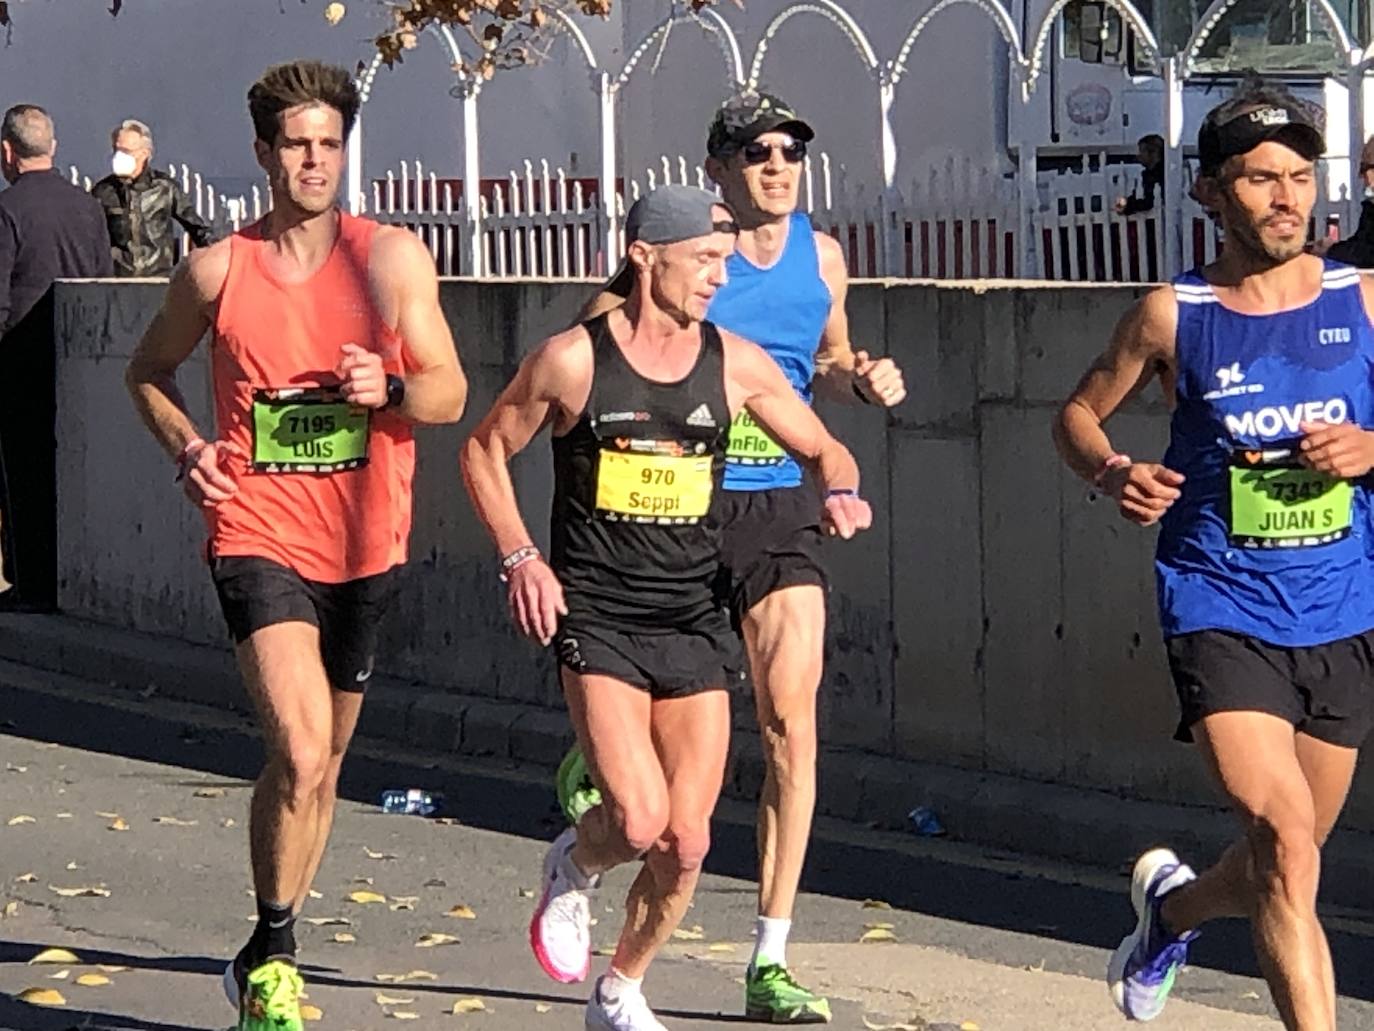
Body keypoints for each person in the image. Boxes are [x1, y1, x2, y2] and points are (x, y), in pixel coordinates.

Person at [462, 184, 873, 1031]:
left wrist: (839, 487)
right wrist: (521, 558)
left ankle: (619, 987)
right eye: (704, 260)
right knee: (641, 819)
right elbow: (482, 449)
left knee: (688, 842)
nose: (719, 277)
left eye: (725, 261)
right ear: (648, 257)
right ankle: (574, 865)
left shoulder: (733, 362)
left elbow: (826, 444)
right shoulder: (574, 360)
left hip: (692, 617)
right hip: (602, 615)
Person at [125, 60, 467, 1031]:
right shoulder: (218, 269)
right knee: (304, 749)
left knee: (322, 767)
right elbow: (148, 371)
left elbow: (448, 392)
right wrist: (188, 444)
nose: (313, 161)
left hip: (365, 544)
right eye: (295, 144)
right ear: (263, 153)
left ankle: (267, 940)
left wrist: (389, 390)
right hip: (256, 534)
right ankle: (276, 946)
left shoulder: (391, 259)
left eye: (328, 143)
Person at [561, 90, 905, 1024]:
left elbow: (825, 358)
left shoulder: (822, 257)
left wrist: (860, 378)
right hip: (672, 512)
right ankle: (603, 750)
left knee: (791, 717)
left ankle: (771, 952)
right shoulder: (684, 262)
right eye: (757, 152)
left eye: (792, 150)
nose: (779, 166)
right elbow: (593, 353)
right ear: (717, 169)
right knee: (660, 763)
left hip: (782, 507)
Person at [1054, 79, 1374, 1031]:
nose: (1285, 197)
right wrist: (1113, 472)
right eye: (1259, 178)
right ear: (1208, 193)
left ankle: (1172, 914)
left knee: (1293, 852)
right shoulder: (1172, 314)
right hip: (1219, 601)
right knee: (1282, 834)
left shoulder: (1363, 300)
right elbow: (1075, 414)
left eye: (1300, 177)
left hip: (1341, 607)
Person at [0, 104, 112, 611]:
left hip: (19, 364)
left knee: (23, 477)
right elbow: (103, 282)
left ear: (7, 152)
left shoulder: (8, 210)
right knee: (73, 478)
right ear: (53, 148)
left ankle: (31, 584)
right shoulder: (87, 207)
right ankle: (69, 578)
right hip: (79, 360)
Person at [92, 118, 216, 277]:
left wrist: (215, 266)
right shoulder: (104, 191)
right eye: (116, 150)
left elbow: (199, 229)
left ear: (144, 154)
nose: (119, 156)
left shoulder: (164, 188)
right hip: (118, 284)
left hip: (157, 282)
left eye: (126, 151)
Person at [1317, 135, 1374, 267]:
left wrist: (1329, 250)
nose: (1368, 181)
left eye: (1367, 168)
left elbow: (1365, 254)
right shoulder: (1370, 209)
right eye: (1363, 169)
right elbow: (1361, 245)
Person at [1115, 133, 1165, 216]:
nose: (1139, 155)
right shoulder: (1148, 174)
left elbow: (1149, 201)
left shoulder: (1158, 174)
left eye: (1142, 151)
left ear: (1153, 153)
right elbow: (1140, 195)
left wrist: (1127, 206)